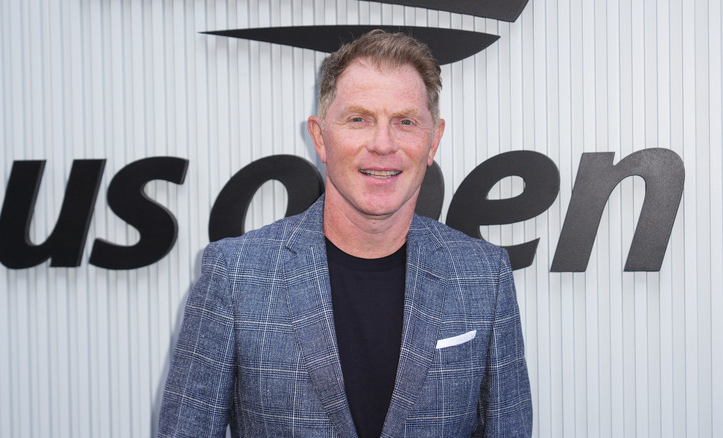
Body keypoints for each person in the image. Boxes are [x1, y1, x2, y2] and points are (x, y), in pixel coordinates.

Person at [158, 29, 532, 437]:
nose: (383, 144)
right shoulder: (233, 275)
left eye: (405, 122)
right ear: (320, 137)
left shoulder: (484, 274)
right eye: (359, 119)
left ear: (433, 140)